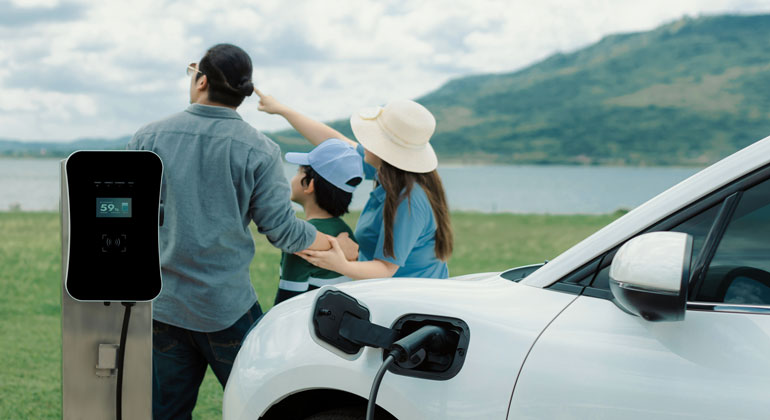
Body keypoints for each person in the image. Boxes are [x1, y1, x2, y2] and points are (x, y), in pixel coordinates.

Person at [126, 44, 345, 420]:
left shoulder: (147, 139)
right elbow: (282, 231)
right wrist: (334, 244)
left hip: (163, 305)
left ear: (202, 81)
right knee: (268, 405)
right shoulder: (260, 150)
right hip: (227, 306)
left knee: (163, 414)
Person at [256, 91, 453, 280]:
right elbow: (335, 144)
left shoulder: (410, 200)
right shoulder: (390, 172)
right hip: (392, 296)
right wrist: (282, 110)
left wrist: (340, 264)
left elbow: (386, 269)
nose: (363, 141)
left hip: (411, 306)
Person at [275, 138, 363, 305]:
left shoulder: (304, 241)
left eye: (298, 171)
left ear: (309, 184)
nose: (293, 178)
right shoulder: (345, 232)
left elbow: (286, 303)